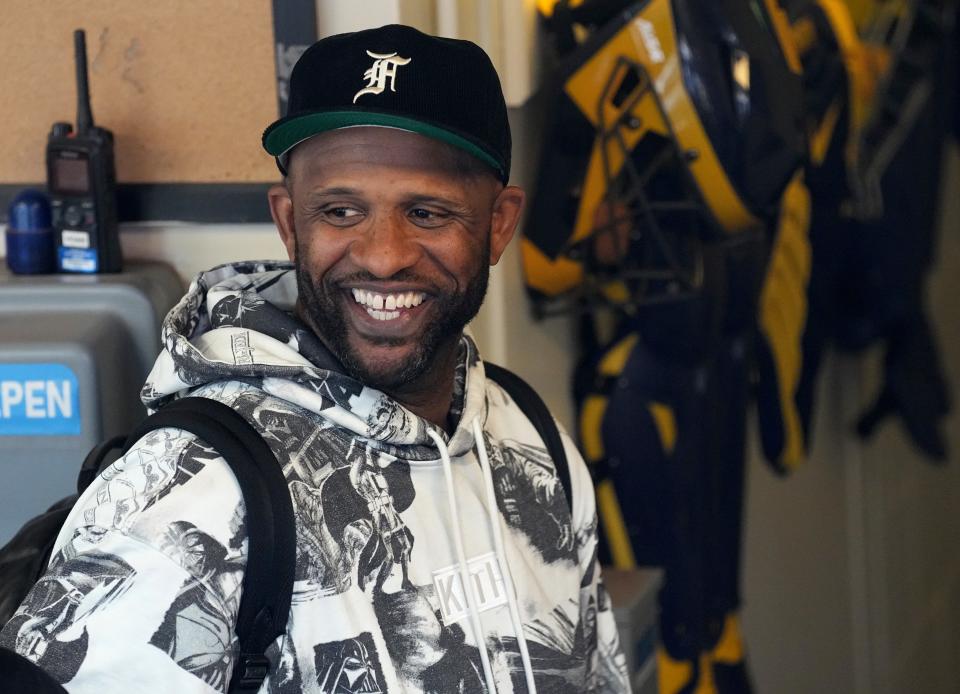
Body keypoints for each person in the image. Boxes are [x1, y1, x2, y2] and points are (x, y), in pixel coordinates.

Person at [0, 24, 629, 693]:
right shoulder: (185, 499)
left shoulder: (527, 436)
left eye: (426, 212)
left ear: (500, 223)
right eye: (340, 210)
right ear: (289, 221)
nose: (383, 254)